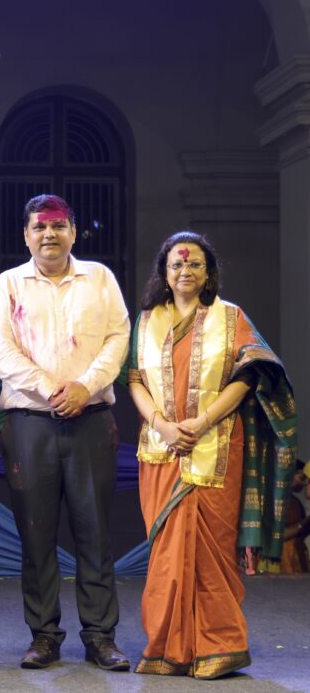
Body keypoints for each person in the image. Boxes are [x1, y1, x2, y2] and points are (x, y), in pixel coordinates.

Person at [127, 231, 296, 679]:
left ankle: (219, 645)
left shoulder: (231, 317)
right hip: (161, 451)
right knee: (167, 553)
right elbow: (134, 380)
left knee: (212, 549)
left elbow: (250, 376)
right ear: (164, 273)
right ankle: (168, 648)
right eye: (177, 265)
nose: (185, 271)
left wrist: (201, 422)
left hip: (216, 446)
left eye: (195, 264)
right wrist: (163, 426)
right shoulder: (146, 321)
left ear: (209, 272)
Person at [0, 194, 130, 671]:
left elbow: (118, 338)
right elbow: (1, 351)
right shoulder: (8, 285)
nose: (49, 234)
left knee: (95, 533)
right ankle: (44, 636)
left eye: (58, 226)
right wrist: (52, 389)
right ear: (26, 236)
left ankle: (100, 636)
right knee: (36, 535)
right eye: (40, 227)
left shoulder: (100, 278)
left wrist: (86, 386)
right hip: (31, 424)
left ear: (73, 232)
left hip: (91, 421)